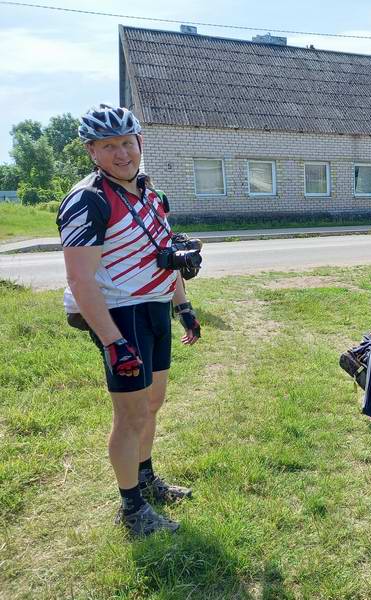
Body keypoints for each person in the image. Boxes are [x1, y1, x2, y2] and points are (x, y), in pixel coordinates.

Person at [57, 104, 202, 537]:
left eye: (126, 142)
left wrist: (183, 305)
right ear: (92, 152)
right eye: (108, 146)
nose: (121, 154)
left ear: (139, 142)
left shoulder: (151, 193)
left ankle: (145, 478)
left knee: (152, 404)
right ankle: (132, 509)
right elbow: (80, 280)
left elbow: (165, 255)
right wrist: (113, 342)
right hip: (118, 314)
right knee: (130, 415)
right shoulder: (89, 200)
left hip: (154, 308)